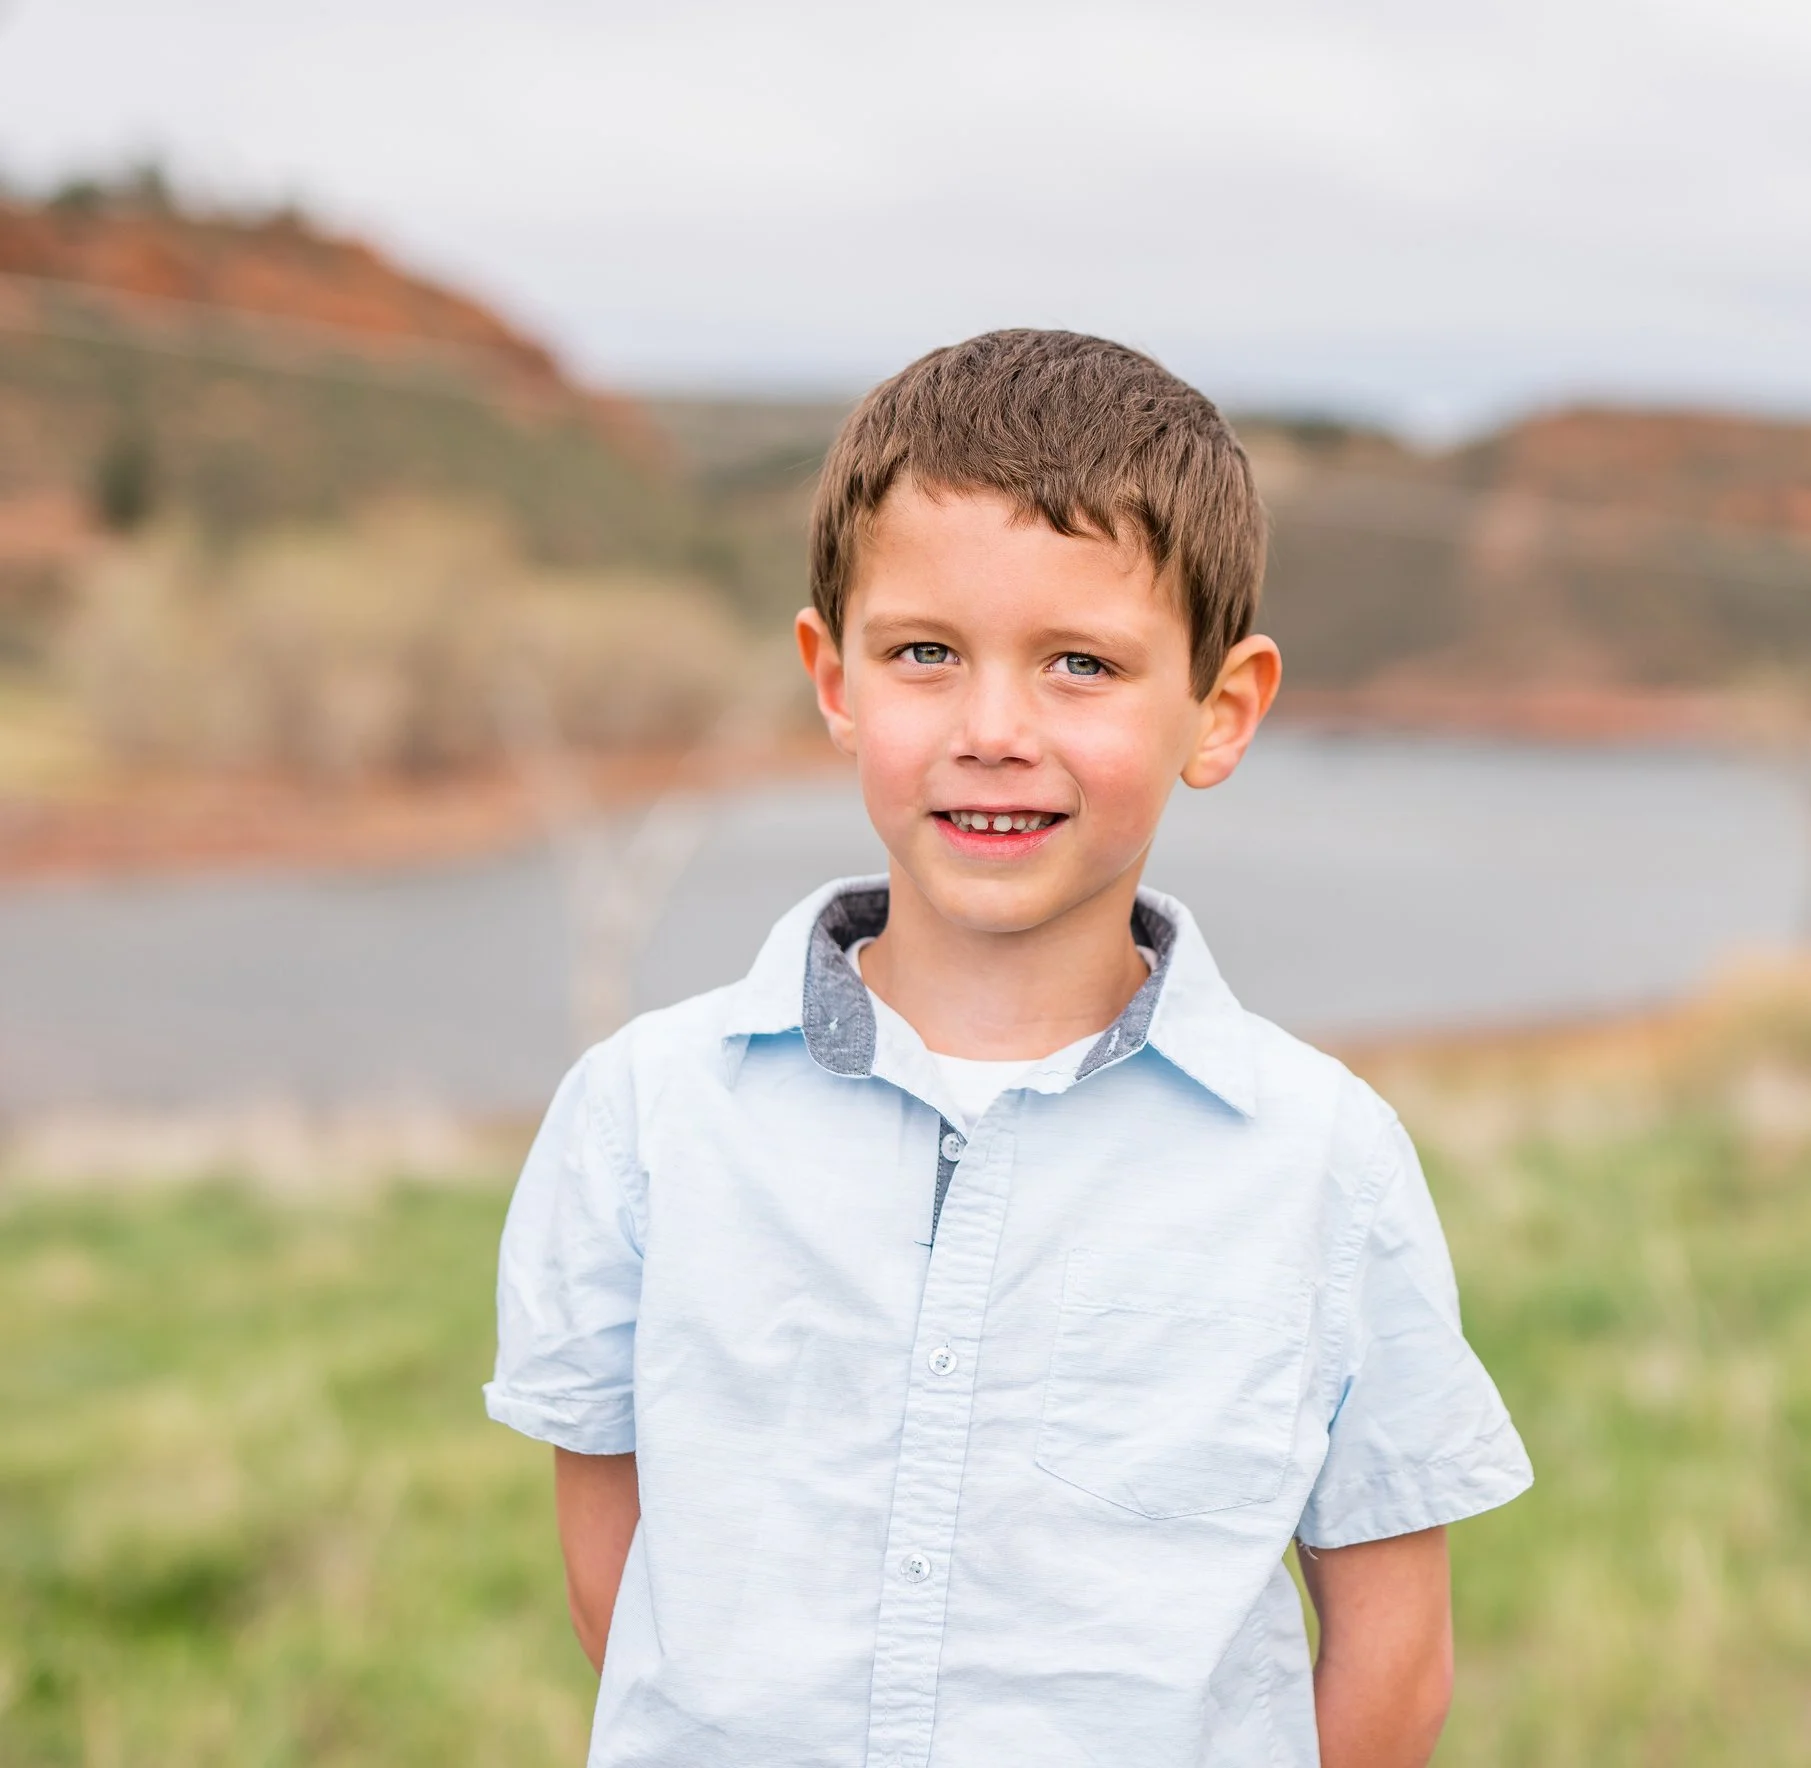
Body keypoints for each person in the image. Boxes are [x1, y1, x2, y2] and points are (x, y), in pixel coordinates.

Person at [485, 329, 1532, 1767]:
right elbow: (625, 1592)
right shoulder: (647, 1117)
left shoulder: (1321, 1160)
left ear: (1219, 712)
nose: (992, 730)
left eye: (1080, 666)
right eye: (925, 654)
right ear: (834, 676)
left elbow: (1394, 1671)